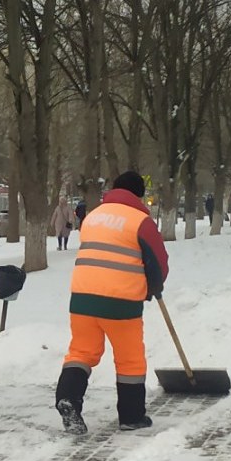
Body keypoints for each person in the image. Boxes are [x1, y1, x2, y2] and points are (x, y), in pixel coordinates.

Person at [54, 171, 169, 434]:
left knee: (81, 353)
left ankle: (68, 398)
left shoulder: (94, 216)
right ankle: (131, 416)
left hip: (82, 299)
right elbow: (158, 262)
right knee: (129, 360)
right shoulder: (141, 221)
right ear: (138, 194)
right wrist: (154, 286)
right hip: (121, 303)